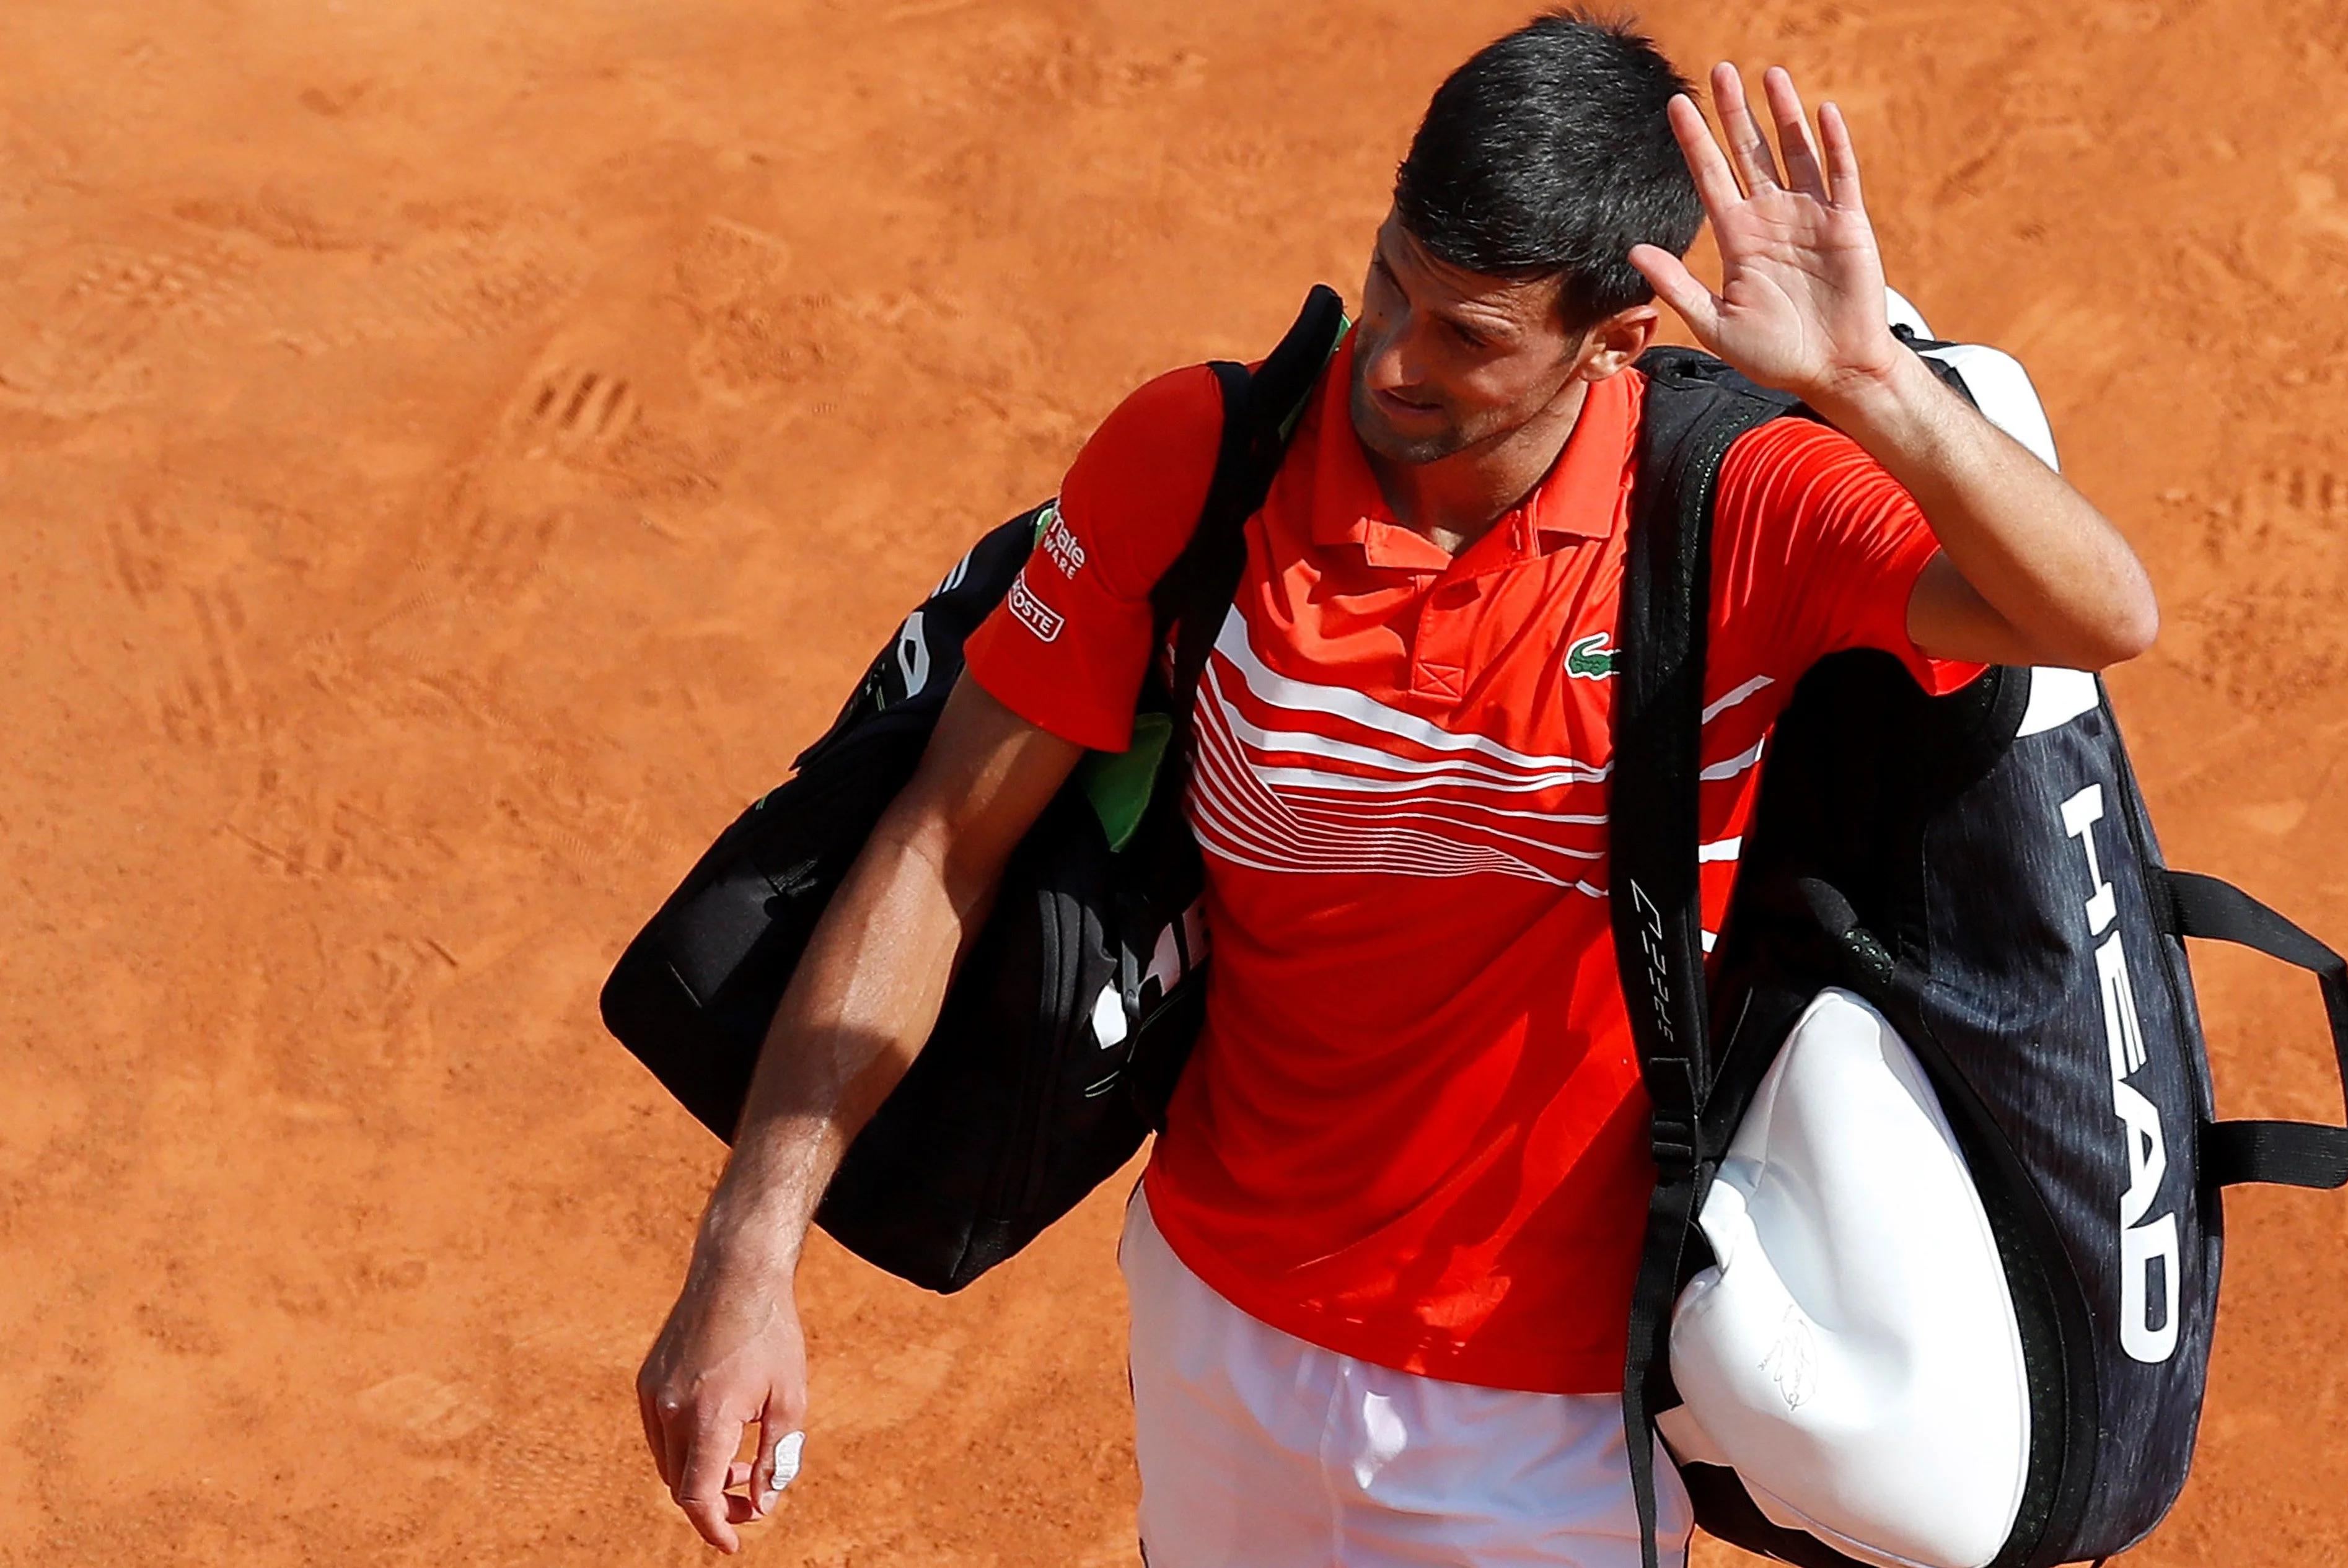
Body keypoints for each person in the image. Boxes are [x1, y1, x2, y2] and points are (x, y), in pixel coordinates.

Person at [635, 14, 2158, 1565]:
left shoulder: (1739, 514)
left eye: (1472, 336)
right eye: (1391, 283)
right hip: (1216, 1316)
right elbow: (939, 844)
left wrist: (1866, 380)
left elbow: (2098, 611)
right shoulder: (1200, 458)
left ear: (1616, 336)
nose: (1395, 358)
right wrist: (746, 1256)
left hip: (1546, 1409)